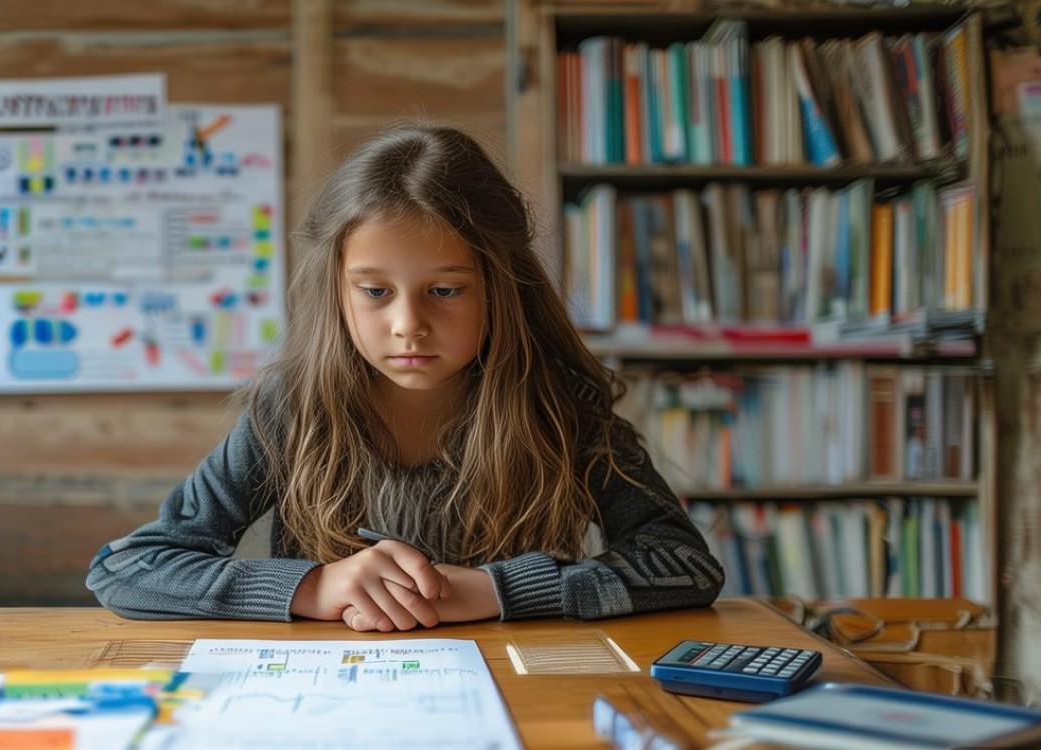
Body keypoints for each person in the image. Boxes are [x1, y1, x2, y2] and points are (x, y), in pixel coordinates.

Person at [87, 124, 724, 631]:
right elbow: (129, 568)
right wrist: (316, 586)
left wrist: (492, 591)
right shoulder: (293, 410)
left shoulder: (561, 407)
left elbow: (686, 564)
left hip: (526, 692)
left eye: (445, 290)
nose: (408, 324)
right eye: (374, 291)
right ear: (335, 291)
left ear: (501, 288)